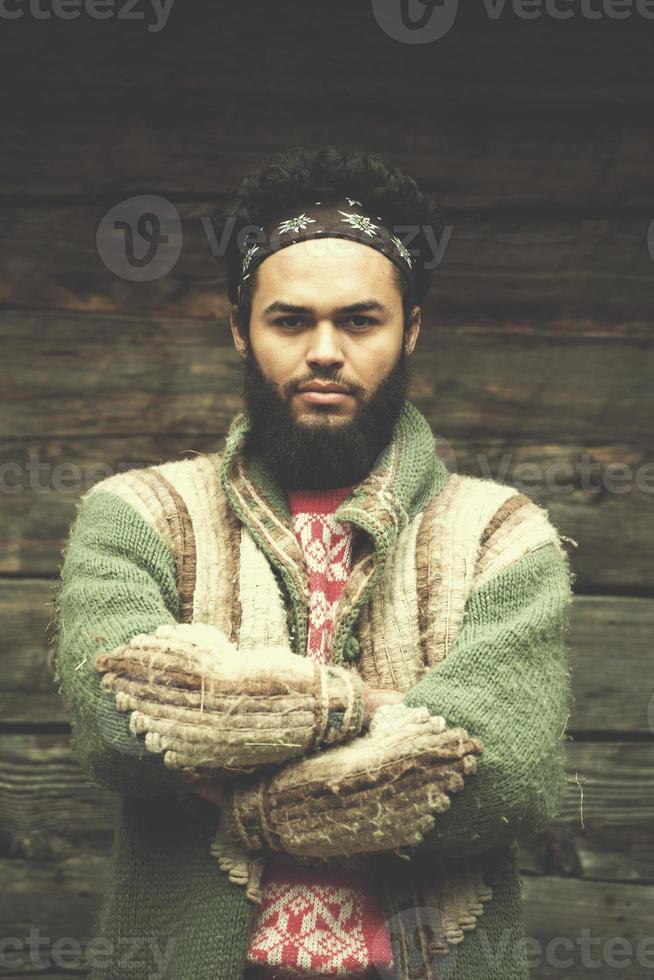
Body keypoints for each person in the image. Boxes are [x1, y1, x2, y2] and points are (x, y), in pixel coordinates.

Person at [52, 145, 576, 980]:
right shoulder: (141, 514)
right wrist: (365, 711)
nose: (324, 350)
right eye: (290, 320)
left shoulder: (501, 534)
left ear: (409, 331)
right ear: (239, 327)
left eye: (359, 321)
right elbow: (122, 728)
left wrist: (231, 745)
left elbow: (498, 778)